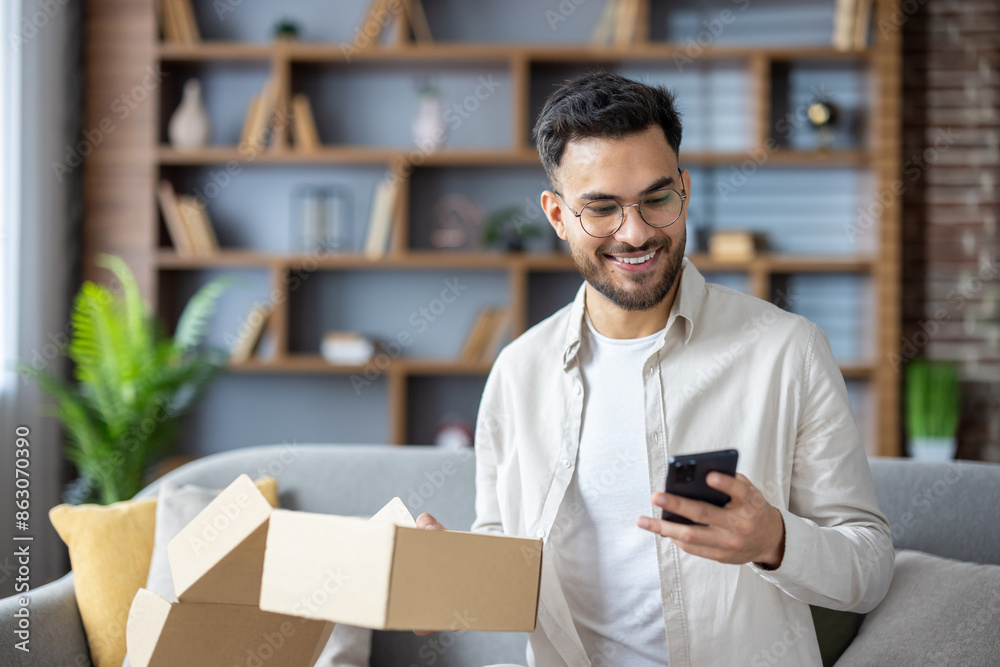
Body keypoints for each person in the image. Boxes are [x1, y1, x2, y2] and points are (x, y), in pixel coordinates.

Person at [415, 71, 893, 667]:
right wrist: (442, 582)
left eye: (656, 198)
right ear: (558, 216)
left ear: (685, 192)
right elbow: (506, 561)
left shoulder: (787, 352)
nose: (635, 232)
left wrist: (774, 540)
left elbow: (869, 569)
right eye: (601, 209)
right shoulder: (517, 373)